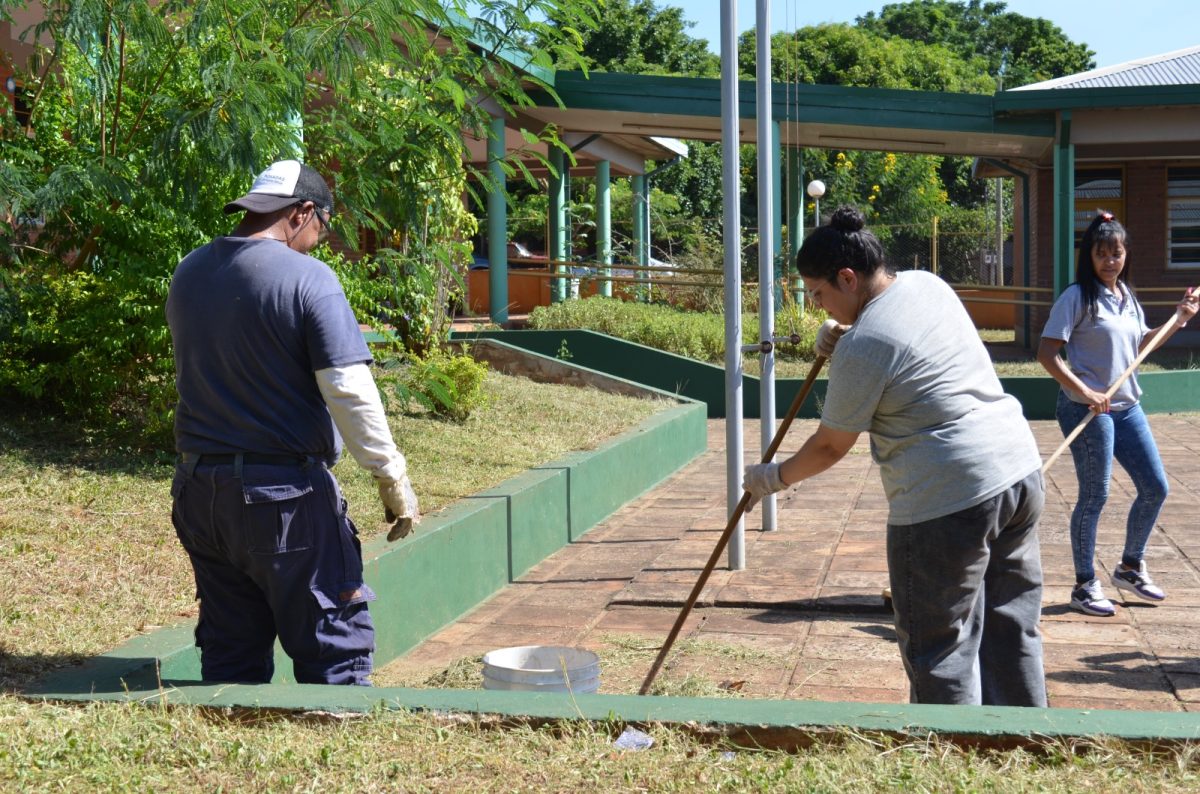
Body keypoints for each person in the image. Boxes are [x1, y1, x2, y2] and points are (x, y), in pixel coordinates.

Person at [743, 206, 1046, 707]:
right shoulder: (927, 283)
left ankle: (952, 762)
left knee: (939, 646)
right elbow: (911, 349)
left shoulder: (866, 344)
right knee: (1011, 627)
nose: (820, 305)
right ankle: (1026, 744)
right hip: (1017, 472)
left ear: (847, 277)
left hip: (948, 497)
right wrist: (844, 339)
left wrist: (772, 478)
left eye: (819, 294)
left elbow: (829, 445)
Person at [166, 159, 419, 686]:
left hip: (199, 493)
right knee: (335, 654)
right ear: (303, 212)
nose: (319, 245)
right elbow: (348, 390)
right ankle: (341, 749)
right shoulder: (309, 279)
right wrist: (391, 476)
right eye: (321, 231)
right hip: (284, 501)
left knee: (230, 654)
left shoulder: (189, 271)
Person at [1037, 210, 1197, 617]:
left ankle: (1129, 566)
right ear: (1089, 256)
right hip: (1087, 410)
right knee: (1096, 495)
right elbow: (1047, 353)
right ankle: (1084, 584)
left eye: (1117, 253)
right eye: (1102, 253)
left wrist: (1179, 319)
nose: (1110, 261)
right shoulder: (1077, 297)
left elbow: (1141, 344)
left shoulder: (1126, 295)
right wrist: (1085, 390)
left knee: (1155, 487)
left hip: (1127, 406)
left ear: (1126, 255)